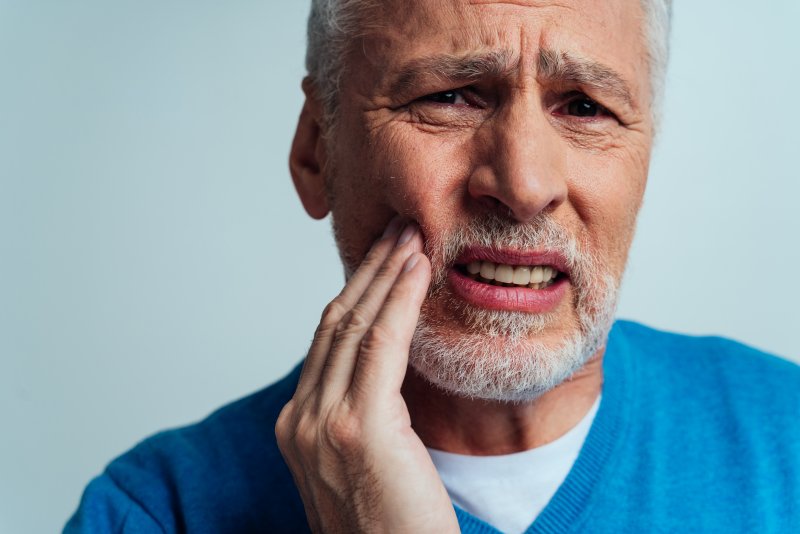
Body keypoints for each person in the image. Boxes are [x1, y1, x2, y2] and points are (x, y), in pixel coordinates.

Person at [65, 0, 800, 532]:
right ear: (317, 149)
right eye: (451, 96)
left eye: (583, 106)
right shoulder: (154, 514)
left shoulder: (786, 437)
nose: (523, 185)